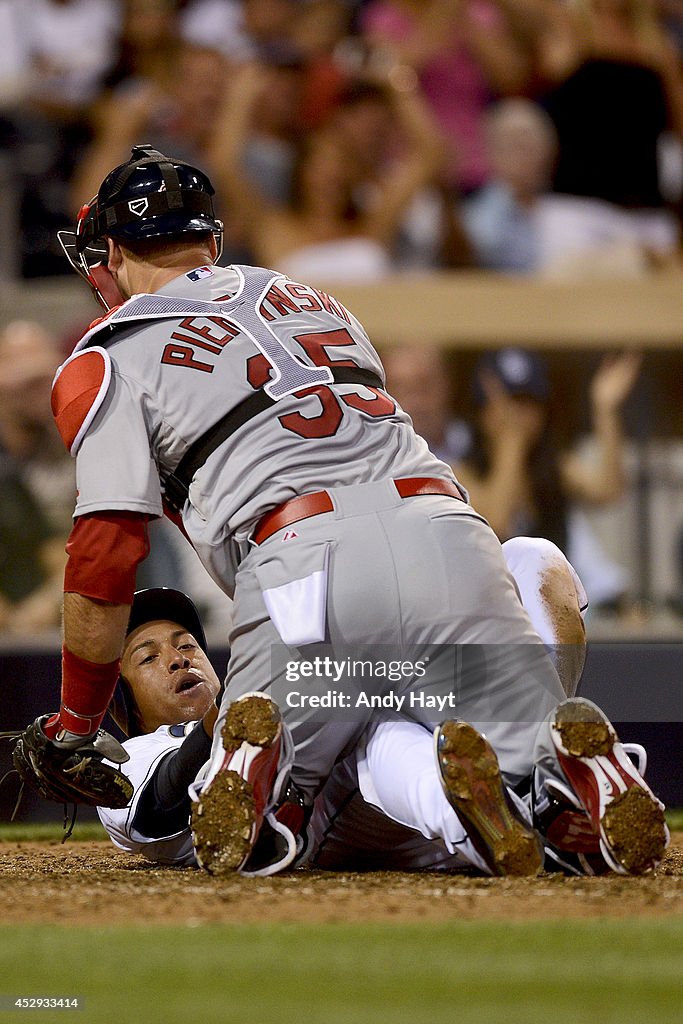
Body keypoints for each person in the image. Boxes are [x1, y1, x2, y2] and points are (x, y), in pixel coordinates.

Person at [26, 144, 664, 880]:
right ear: (213, 240)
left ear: (109, 250)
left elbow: (105, 548)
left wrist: (76, 724)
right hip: (444, 529)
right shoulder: (312, 298)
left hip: (300, 558)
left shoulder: (104, 354)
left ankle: (265, 778)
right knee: (521, 751)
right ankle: (562, 773)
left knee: (259, 822)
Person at [99, 549, 665, 878]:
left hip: (392, 743)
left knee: (530, 557)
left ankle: (547, 786)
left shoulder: (267, 694)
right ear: (122, 702)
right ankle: (536, 798)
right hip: (324, 811)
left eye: (186, 644)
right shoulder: (130, 756)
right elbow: (156, 810)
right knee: (367, 709)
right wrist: (214, 729)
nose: (175, 658)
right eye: (147, 656)